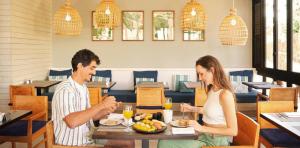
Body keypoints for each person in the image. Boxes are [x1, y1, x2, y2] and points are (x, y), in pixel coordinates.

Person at [52, 49, 134, 147]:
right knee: (127, 143)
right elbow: (72, 122)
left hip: (89, 137)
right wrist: (101, 105)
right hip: (74, 144)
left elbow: (89, 116)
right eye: (92, 68)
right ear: (80, 66)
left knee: (129, 141)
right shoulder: (65, 89)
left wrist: (106, 110)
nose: (94, 72)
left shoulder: (83, 87)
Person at [158, 55, 237, 148]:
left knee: (164, 144)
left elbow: (233, 131)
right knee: (163, 139)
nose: (199, 78)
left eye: (201, 74)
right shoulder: (211, 90)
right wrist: (191, 108)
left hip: (216, 143)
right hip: (204, 136)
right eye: (198, 74)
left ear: (212, 70)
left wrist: (201, 128)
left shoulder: (225, 95)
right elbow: (209, 111)